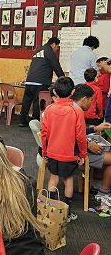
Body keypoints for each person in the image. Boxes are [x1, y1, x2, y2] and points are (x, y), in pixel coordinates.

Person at [41, 77, 87, 222]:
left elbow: (44, 134)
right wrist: (82, 154)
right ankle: (66, 213)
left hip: (52, 152)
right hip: (69, 154)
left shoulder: (49, 109)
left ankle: (50, 211)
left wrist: (45, 152)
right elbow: (81, 136)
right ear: (73, 92)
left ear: (54, 91)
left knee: (53, 179)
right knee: (68, 180)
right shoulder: (77, 111)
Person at [72, 84, 111, 204]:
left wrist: (95, 129)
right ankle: (103, 192)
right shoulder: (76, 112)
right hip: (76, 153)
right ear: (84, 99)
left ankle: (96, 183)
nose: (91, 104)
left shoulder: (71, 108)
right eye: (91, 100)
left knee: (106, 151)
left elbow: (77, 132)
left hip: (76, 148)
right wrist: (88, 144)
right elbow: (71, 136)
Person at [19, 37, 64, 127]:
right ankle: (35, 121)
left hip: (30, 80)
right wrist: (63, 79)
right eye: (57, 47)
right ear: (53, 44)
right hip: (41, 81)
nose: (57, 49)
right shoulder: (49, 51)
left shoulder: (38, 50)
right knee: (38, 102)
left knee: (27, 101)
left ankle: (22, 120)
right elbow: (56, 66)